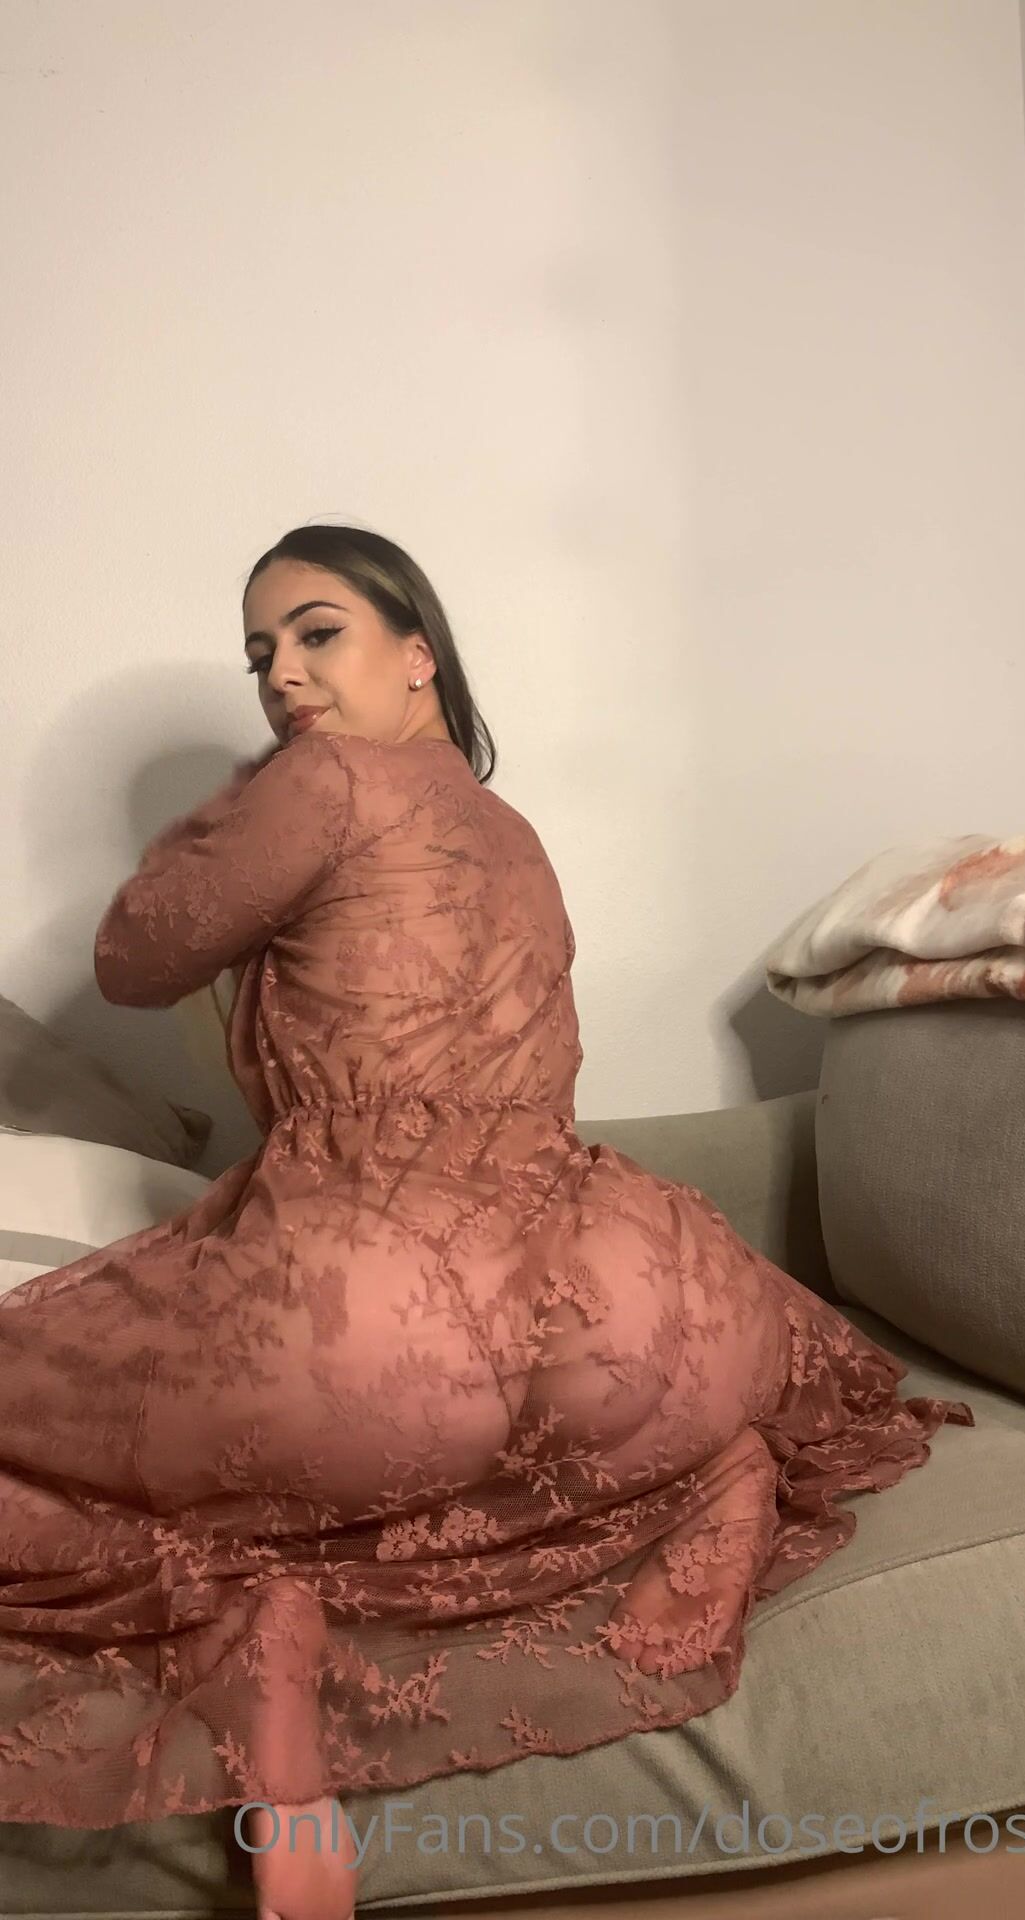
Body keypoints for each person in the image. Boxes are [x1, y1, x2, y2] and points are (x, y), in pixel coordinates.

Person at [0, 524, 974, 1920]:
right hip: (638, 1300)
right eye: (260, 655)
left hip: (375, 1304)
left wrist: (230, 801)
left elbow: (132, 953)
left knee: (117, 1448)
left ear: (419, 654)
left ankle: (269, 1651)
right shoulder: (511, 833)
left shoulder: (320, 780)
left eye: (316, 633)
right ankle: (711, 1475)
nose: (281, 677)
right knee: (469, 1449)